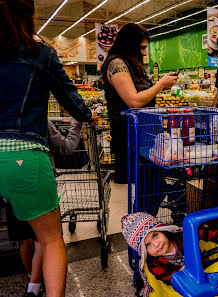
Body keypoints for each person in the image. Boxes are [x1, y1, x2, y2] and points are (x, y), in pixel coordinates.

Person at [0, 1, 96, 296]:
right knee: (51, 238)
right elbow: (74, 103)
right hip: (22, 154)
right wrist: (88, 115)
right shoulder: (40, 54)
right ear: (29, 14)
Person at [5, 119, 83, 297]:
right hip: (37, 180)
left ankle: (33, 280)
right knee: (47, 239)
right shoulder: (40, 121)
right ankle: (35, 285)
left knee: (24, 239)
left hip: (10, 183)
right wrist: (77, 122)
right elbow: (67, 147)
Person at [101, 23, 178, 184]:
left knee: (152, 182)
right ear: (131, 45)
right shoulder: (116, 64)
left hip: (143, 134)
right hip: (130, 137)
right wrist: (161, 84)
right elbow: (134, 101)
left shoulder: (130, 64)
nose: (144, 53)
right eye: (142, 48)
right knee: (145, 184)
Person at [121, 212, 218, 296]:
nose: (156, 244)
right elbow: (166, 278)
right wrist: (181, 272)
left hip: (206, 271)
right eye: (148, 245)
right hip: (186, 284)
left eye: (155, 235)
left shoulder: (181, 236)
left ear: (163, 230)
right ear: (144, 251)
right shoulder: (153, 263)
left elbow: (202, 232)